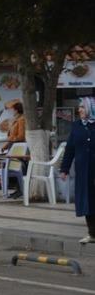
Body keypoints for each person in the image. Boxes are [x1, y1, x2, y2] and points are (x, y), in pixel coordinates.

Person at [61, 97, 95, 244]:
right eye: (79, 107)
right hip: (83, 171)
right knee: (87, 201)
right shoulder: (77, 126)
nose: (79, 109)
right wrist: (64, 168)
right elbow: (70, 149)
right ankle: (92, 234)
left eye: (82, 107)